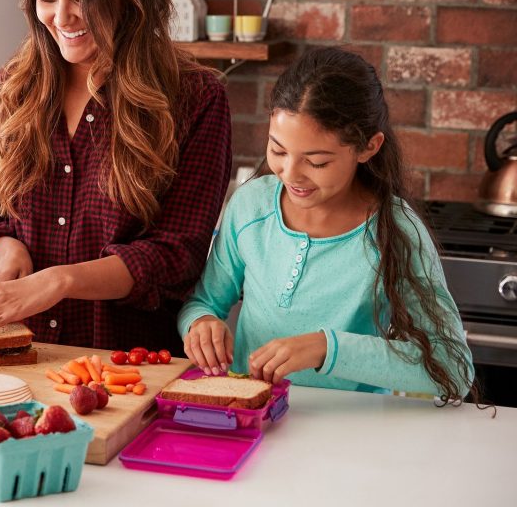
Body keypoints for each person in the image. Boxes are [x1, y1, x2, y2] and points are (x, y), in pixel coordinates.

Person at [0, 0, 233, 352]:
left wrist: (61, 281)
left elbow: (177, 252)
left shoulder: (193, 99)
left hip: (131, 367)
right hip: (21, 357)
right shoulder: (8, 92)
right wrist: (8, 252)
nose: (62, 18)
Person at [179, 47, 477, 401]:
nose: (290, 174)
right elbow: (202, 303)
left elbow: (453, 369)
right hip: (252, 419)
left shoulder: (396, 232)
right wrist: (200, 325)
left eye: (317, 162)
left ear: (368, 147)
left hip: (349, 431)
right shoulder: (250, 205)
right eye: (277, 150)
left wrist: (328, 349)